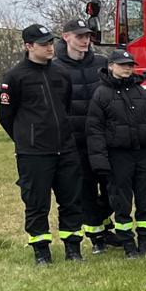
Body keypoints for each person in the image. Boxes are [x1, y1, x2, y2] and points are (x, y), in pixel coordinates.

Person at [0, 23, 86, 264]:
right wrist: (27, 138)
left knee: (71, 200)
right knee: (36, 203)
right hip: (34, 153)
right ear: (28, 46)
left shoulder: (60, 73)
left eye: (50, 42)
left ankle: (73, 249)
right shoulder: (15, 77)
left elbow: (65, 105)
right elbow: (6, 115)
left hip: (65, 148)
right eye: (43, 44)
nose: (50, 47)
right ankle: (41, 252)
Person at [85, 50, 146, 258]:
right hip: (118, 157)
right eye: (122, 64)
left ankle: (145, 242)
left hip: (144, 154)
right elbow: (95, 131)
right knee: (121, 202)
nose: (127, 68)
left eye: (130, 65)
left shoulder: (142, 92)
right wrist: (100, 162)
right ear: (110, 66)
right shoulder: (101, 94)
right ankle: (128, 244)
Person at [53, 17, 115, 253]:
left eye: (87, 36)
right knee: (85, 190)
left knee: (113, 187)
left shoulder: (101, 63)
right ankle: (97, 236)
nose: (85, 41)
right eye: (79, 36)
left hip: (104, 139)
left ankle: (104, 222)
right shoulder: (55, 67)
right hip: (75, 142)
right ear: (66, 37)